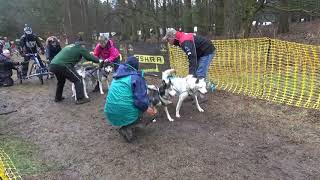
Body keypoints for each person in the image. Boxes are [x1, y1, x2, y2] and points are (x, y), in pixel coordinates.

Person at [104, 56, 157, 142]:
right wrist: (147, 107)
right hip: (122, 111)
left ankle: (129, 123)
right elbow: (140, 101)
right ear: (136, 66)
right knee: (152, 111)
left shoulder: (117, 75)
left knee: (130, 101)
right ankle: (127, 128)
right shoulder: (136, 78)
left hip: (109, 112)